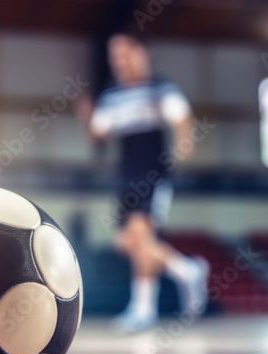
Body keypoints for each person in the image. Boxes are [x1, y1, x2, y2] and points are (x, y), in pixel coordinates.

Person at [79, 31, 209, 333]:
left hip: (153, 173)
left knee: (140, 235)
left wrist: (185, 142)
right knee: (129, 244)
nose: (119, 61)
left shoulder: (159, 88)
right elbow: (98, 136)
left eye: (125, 53)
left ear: (142, 53)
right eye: (114, 56)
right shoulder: (112, 96)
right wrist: (87, 118)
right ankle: (187, 269)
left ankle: (142, 309)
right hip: (123, 176)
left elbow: (181, 118)